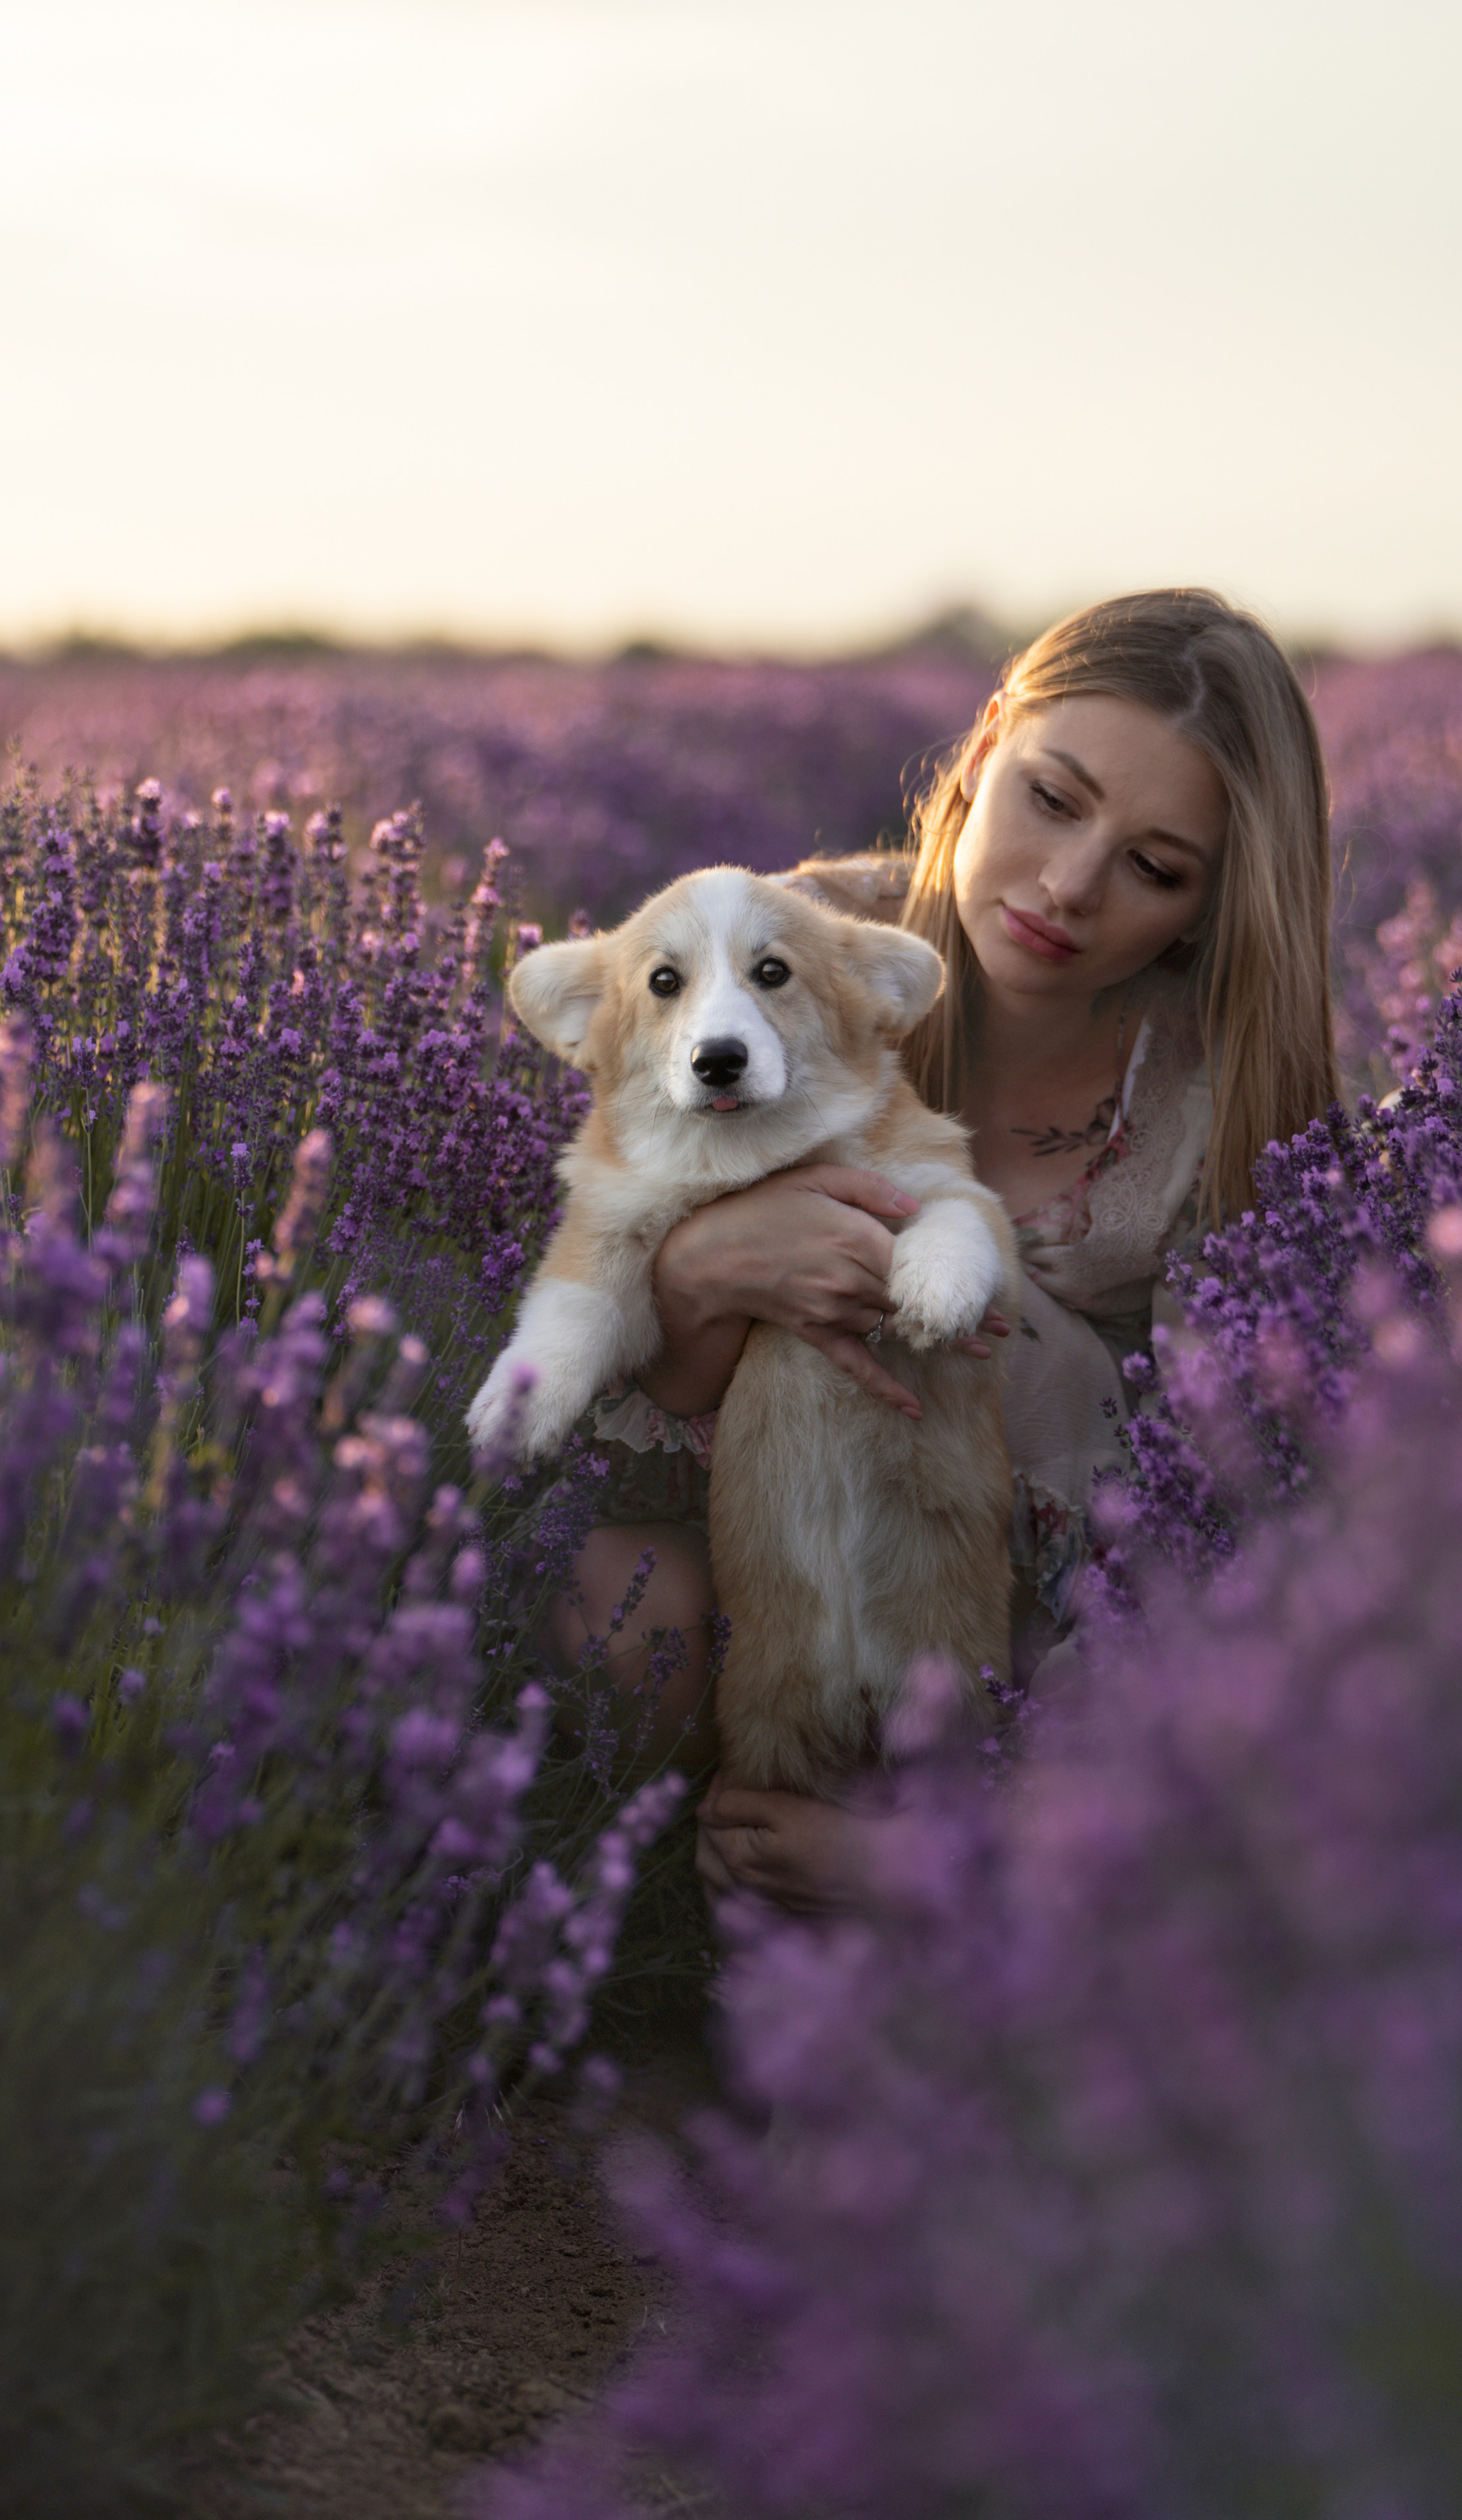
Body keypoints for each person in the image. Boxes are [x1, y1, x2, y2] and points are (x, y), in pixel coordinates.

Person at [545, 589, 1339, 1912]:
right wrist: (708, 1268)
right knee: (612, 1591)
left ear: (1204, 911)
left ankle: (947, 1899)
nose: (1068, 887)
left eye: (1154, 867)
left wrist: (954, 1854)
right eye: (1054, 798)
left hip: (1052, 1633)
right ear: (980, 754)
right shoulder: (768, 957)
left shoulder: (1220, 1103)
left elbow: (1229, 1531)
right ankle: (660, 1934)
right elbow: (618, 1354)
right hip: (779, 1554)